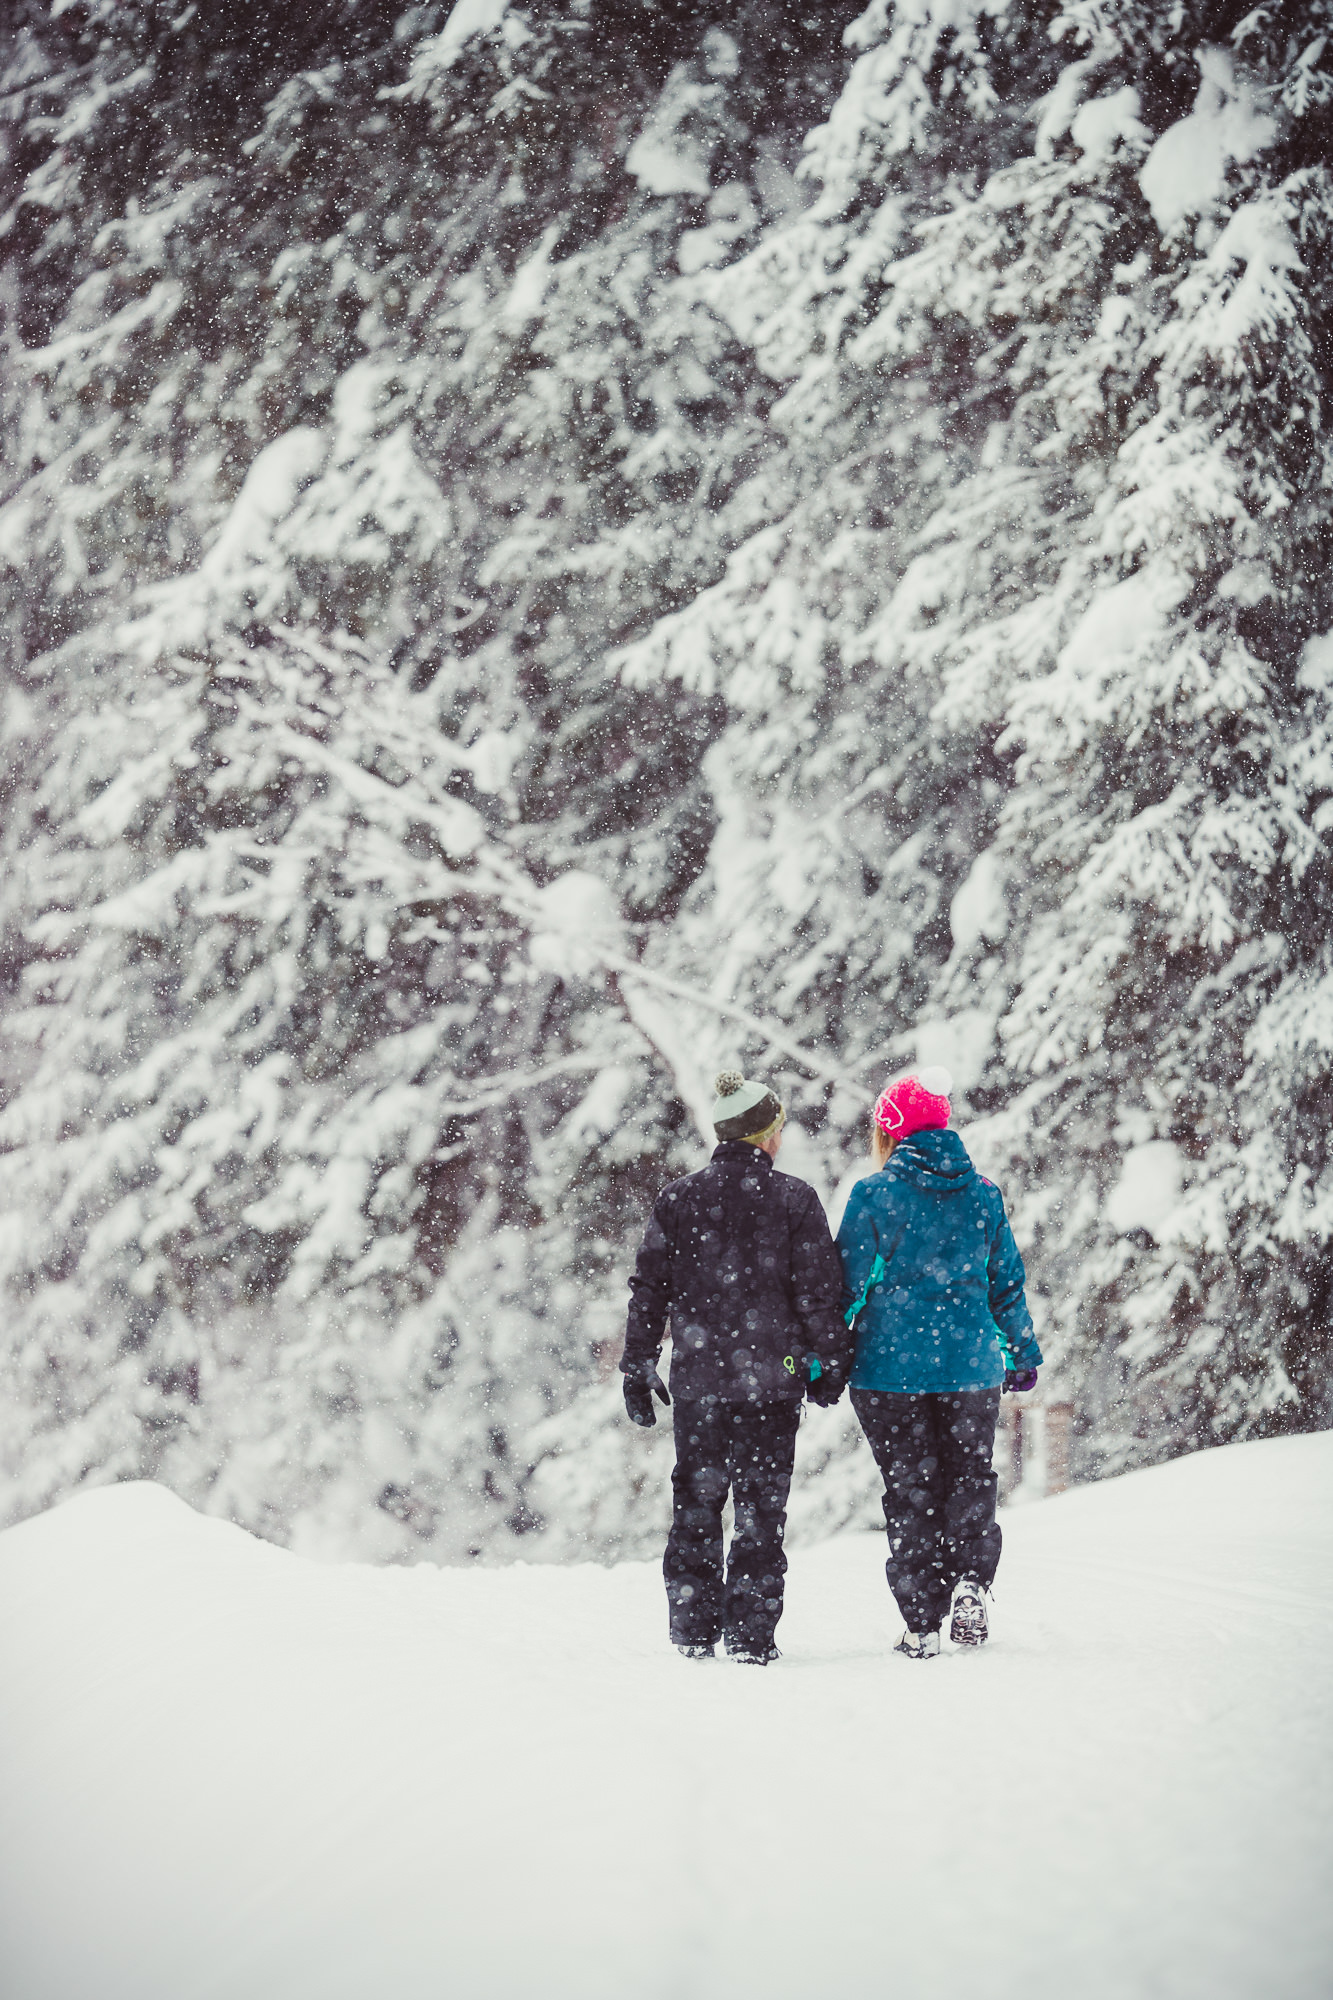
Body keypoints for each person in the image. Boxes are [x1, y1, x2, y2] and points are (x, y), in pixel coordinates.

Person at [622, 1071, 851, 1664]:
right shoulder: (794, 1199)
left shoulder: (678, 1199)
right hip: (773, 1383)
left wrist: (639, 1361)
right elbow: (819, 1294)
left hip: (699, 1384)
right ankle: (750, 1634)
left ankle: (694, 1629)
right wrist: (831, 1364)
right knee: (760, 1510)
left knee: (697, 1504)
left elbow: (650, 1288)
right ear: (767, 1134)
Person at [836, 1066, 1042, 1659]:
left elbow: (844, 1286)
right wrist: (1020, 1350)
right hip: (971, 1367)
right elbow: (1005, 1283)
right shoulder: (982, 1194)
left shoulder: (873, 1195)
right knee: (971, 1477)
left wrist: (827, 1355)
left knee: (910, 1490)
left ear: (891, 1131)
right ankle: (972, 1582)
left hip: (889, 1371)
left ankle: (921, 1621)